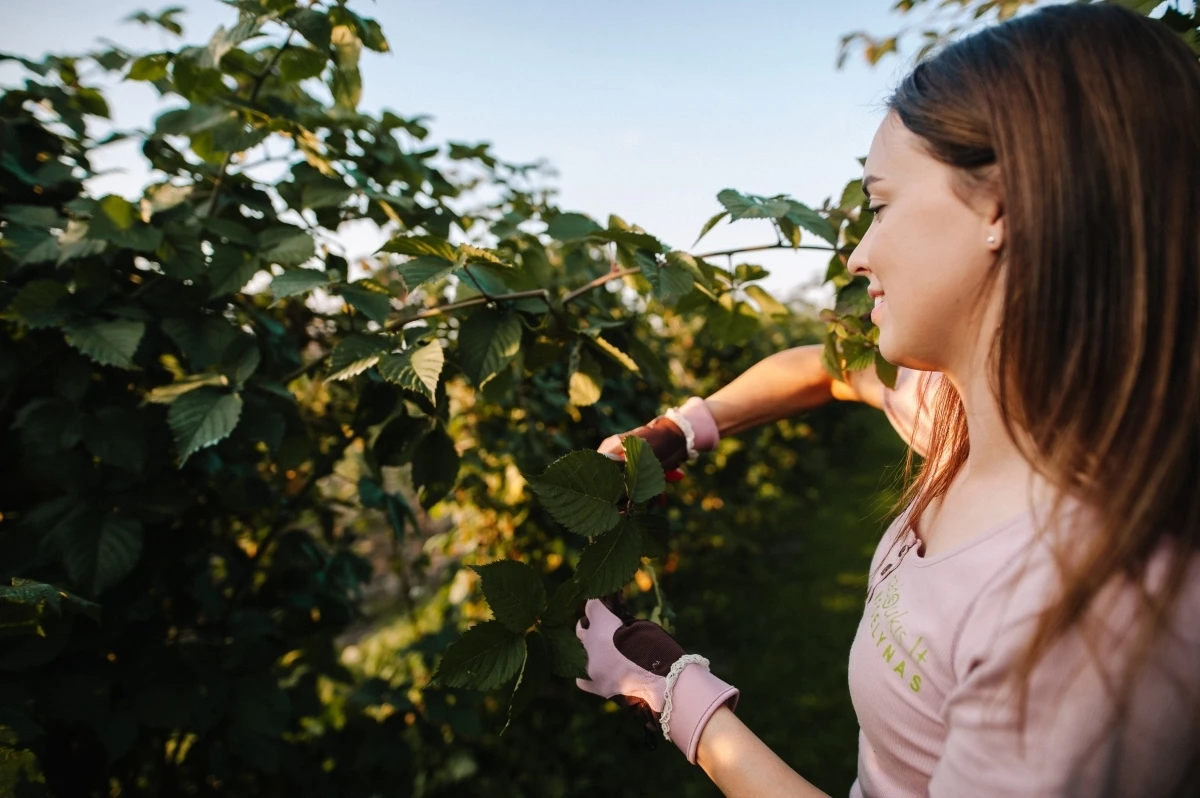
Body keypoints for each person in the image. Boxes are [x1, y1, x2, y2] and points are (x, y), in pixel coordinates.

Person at [574, 5, 1200, 796]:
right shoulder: (970, 418)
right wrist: (682, 429)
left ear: (1002, 206)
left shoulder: (1092, 617)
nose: (861, 255)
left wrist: (678, 700)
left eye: (880, 205)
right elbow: (830, 371)